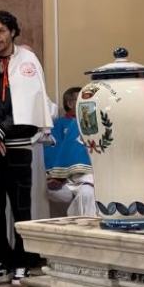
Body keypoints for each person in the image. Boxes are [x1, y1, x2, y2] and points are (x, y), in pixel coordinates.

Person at [0, 10, 53, 287]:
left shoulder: (27, 61)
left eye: (1, 31)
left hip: (17, 146)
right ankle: (1, 259)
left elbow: (29, 106)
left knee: (20, 207)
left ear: (12, 32)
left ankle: (22, 261)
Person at [45, 87, 95, 216]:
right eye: (82, 98)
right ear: (70, 104)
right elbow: (54, 150)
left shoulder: (95, 122)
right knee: (86, 192)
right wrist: (58, 176)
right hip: (68, 179)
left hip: (94, 175)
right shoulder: (59, 124)